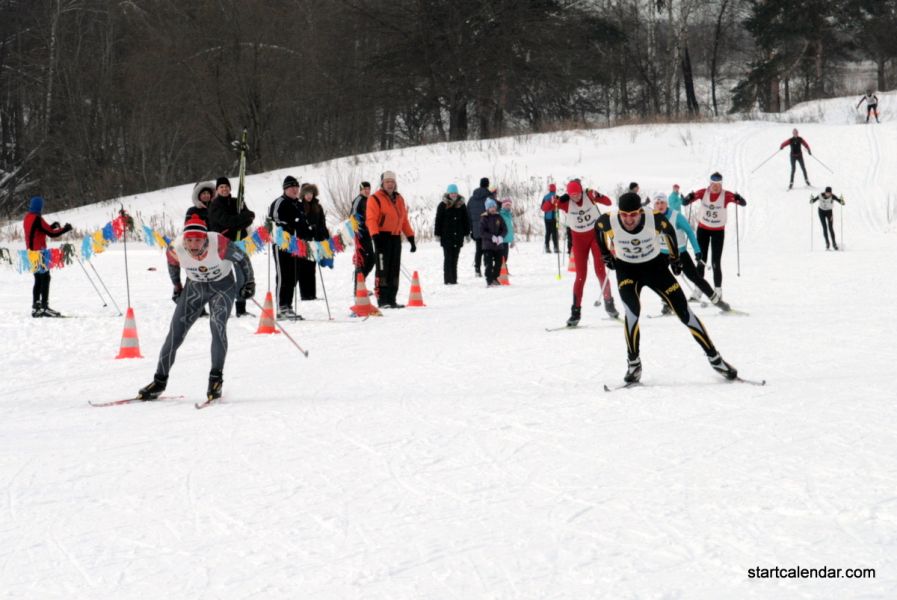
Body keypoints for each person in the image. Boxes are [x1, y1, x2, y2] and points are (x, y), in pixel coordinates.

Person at [596, 192, 738, 383]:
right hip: (627, 270)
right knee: (632, 312)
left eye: (633, 214)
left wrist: (674, 258)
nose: (629, 219)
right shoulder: (608, 220)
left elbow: (669, 232)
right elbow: (598, 230)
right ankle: (634, 364)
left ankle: (715, 359)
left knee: (684, 312)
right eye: (624, 215)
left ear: (640, 211)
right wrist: (605, 254)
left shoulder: (653, 218)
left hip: (654, 267)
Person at [137, 215, 255, 401]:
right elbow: (172, 266)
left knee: (217, 327)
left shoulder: (220, 243)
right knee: (175, 333)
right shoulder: (175, 248)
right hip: (195, 289)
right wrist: (177, 287)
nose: (193, 245)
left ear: (205, 238)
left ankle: (215, 380)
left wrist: (249, 282)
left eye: (198, 240)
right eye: (189, 240)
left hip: (222, 288)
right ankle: (159, 381)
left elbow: (243, 259)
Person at [653, 193, 730, 314]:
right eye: (657, 203)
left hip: (680, 253)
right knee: (661, 279)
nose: (660, 206)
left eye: (662, 202)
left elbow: (689, 232)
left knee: (694, 277)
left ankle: (717, 301)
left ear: (666, 203)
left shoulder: (676, 216)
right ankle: (666, 304)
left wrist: (697, 250)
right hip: (662, 254)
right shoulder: (651, 217)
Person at [556, 180, 618, 324]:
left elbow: (608, 202)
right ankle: (575, 313)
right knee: (580, 276)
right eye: (572, 195)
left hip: (596, 236)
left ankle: (609, 304)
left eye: (577, 194)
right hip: (578, 240)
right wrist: (556, 199)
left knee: (600, 271)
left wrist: (597, 195)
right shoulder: (566, 202)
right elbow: (546, 207)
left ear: (582, 191)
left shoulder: (589, 195)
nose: (576, 198)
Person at [681, 172, 747, 302]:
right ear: (710, 183)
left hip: (718, 231)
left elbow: (743, 203)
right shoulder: (702, 192)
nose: (715, 187)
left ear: (721, 184)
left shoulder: (726, 195)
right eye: (713, 184)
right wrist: (687, 198)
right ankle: (698, 290)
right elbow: (685, 202)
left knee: (715, 262)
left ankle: (718, 291)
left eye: (718, 184)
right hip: (703, 230)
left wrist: (739, 198)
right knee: (701, 260)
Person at [366, 171, 416, 308]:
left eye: (392, 182)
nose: (390, 184)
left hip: (395, 238)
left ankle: (392, 299)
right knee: (383, 269)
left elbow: (404, 220)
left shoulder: (399, 199)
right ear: (382, 183)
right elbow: (371, 219)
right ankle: (382, 300)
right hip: (381, 237)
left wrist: (411, 237)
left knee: (394, 269)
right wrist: (375, 236)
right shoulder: (374, 198)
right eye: (387, 181)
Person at [207, 176, 255, 316]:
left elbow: (249, 219)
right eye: (221, 187)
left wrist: (244, 219)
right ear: (217, 190)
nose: (224, 189)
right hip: (222, 245)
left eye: (226, 187)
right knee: (224, 276)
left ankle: (241, 308)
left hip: (240, 243)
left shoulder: (237, 202)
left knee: (241, 273)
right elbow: (226, 221)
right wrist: (241, 219)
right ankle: (220, 307)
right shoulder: (214, 205)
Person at [23, 196, 73, 317]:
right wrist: (65, 229)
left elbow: (39, 231)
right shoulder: (38, 218)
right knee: (45, 278)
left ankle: (36, 307)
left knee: (38, 279)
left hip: (31, 253)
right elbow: (51, 234)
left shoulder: (27, 218)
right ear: (39, 206)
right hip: (40, 253)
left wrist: (51, 226)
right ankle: (45, 307)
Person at [267, 175, 305, 319]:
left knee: (294, 275)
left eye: (296, 187)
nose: (295, 190)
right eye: (291, 187)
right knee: (284, 274)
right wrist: (289, 226)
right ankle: (281, 307)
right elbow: (274, 222)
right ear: (285, 189)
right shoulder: (279, 202)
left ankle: (288, 305)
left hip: (296, 244)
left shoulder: (299, 203)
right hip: (281, 244)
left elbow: (303, 222)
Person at [296, 183, 331, 301]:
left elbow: (322, 223)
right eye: (306, 193)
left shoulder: (318, 206)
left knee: (312, 267)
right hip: (303, 241)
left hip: (316, 240)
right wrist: (307, 230)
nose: (309, 196)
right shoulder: (299, 206)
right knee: (303, 268)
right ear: (303, 194)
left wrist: (324, 235)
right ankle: (305, 294)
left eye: (311, 193)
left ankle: (312, 294)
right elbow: (298, 224)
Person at [434, 184, 470, 284]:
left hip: (458, 236)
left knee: (455, 258)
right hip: (447, 236)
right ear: (448, 194)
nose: (453, 195)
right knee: (448, 258)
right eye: (451, 193)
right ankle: (448, 280)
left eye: (455, 193)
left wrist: (467, 233)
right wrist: (437, 234)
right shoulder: (442, 205)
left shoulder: (462, 205)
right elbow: (438, 220)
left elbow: (466, 220)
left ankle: (454, 280)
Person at [351, 181, 375, 292]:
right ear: (360, 190)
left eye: (368, 189)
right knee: (362, 260)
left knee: (371, 259)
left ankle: (361, 283)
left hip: (368, 234)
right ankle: (358, 287)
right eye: (365, 189)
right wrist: (360, 228)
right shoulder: (358, 200)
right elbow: (353, 216)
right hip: (360, 235)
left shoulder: (369, 200)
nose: (367, 191)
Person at [479, 199, 507, 287]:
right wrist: (491, 237)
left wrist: (501, 237)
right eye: (490, 207)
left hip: (498, 246)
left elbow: (505, 229)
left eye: (494, 206)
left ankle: (495, 278)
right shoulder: (484, 218)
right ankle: (489, 280)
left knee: (498, 263)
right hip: (488, 246)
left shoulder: (499, 217)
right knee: (489, 264)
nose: (493, 209)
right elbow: (482, 232)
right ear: (487, 208)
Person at [467, 177, 490, 276]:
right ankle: (487, 267)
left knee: (478, 250)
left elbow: (468, 215)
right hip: (487, 228)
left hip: (476, 228)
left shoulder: (472, 199)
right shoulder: (489, 197)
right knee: (487, 249)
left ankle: (477, 269)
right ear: (487, 185)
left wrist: (470, 229)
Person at [810, 186, 845, 251]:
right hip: (821, 212)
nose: (828, 194)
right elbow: (813, 201)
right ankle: (827, 243)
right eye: (827, 193)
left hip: (829, 213)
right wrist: (811, 200)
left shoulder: (833, 196)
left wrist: (842, 201)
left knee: (830, 228)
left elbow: (841, 202)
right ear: (825, 192)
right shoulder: (820, 195)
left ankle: (834, 243)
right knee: (824, 228)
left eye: (829, 193)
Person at [541, 183, 560, 253]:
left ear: (549, 189)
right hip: (555, 218)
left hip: (547, 218)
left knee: (548, 233)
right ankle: (556, 247)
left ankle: (547, 247)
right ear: (555, 189)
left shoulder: (545, 197)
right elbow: (560, 207)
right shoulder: (556, 197)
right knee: (555, 232)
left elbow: (542, 208)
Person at [499, 198, 514, 268]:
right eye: (506, 205)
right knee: (502, 256)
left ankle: (504, 268)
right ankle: (501, 269)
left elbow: (511, 228)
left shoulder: (510, 215)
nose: (508, 207)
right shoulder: (500, 214)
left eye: (509, 205)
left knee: (506, 256)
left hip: (507, 239)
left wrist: (512, 240)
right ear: (503, 206)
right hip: (502, 239)